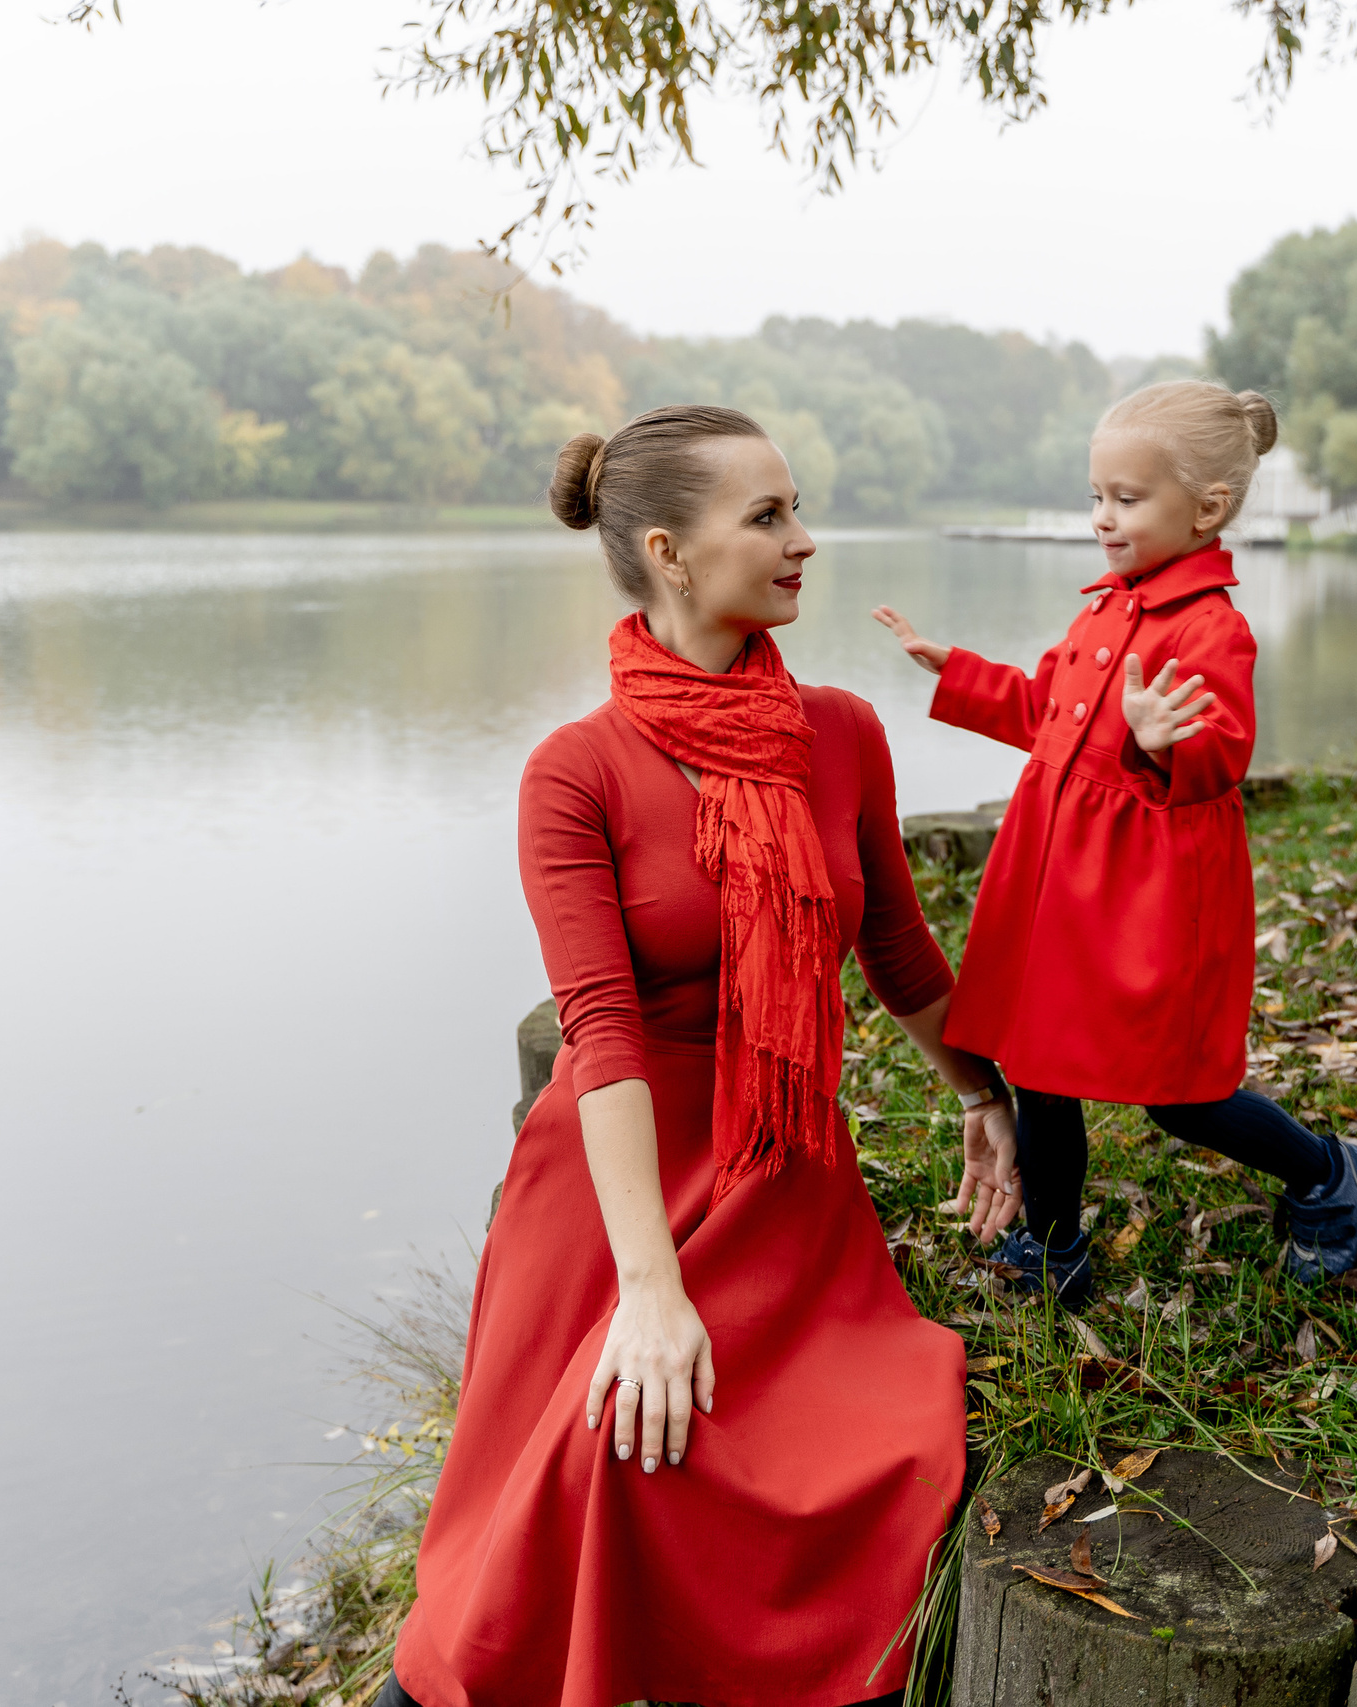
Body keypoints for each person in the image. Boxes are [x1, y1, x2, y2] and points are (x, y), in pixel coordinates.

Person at [382, 405, 1021, 1707]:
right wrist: (649, 1288)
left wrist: (986, 1096)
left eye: (797, 509)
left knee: (857, 1465)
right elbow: (601, 1034)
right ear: (671, 552)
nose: (805, 542)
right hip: (615, 1189)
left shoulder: (839, 733)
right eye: (769, 517)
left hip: (782, 1169)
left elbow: (896, 952)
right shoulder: (579, 771)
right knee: (604, 1454)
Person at [871, 380, 1357, 1309]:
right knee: (1037, 1066)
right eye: (1096, 497)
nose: (1103, 518)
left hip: (1147, 898)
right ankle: (1055, 1241)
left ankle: (1329, 1171)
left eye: (1127, 498)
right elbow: (1045, 712)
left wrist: (1164, 739)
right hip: (1058, 884)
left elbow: (1223, 752)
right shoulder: (1105, 609)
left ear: (1208, 508)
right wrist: (960, 672)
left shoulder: (1209, 626)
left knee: (1178, 1093)